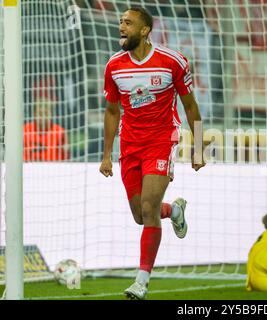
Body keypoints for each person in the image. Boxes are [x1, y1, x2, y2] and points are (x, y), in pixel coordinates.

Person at [99, 7, 205, 300]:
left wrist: (197, 147)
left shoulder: (172, 62)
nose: (122, 26)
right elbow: (111, 111)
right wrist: (107, 154)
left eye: (128, 23)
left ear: (145, 31)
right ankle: (174, 210)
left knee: (148, 207)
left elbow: (190, 106)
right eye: (120, 22)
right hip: (130, 145)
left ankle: (141, 282)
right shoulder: (114, 66)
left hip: (161, 140)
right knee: (139, 214)